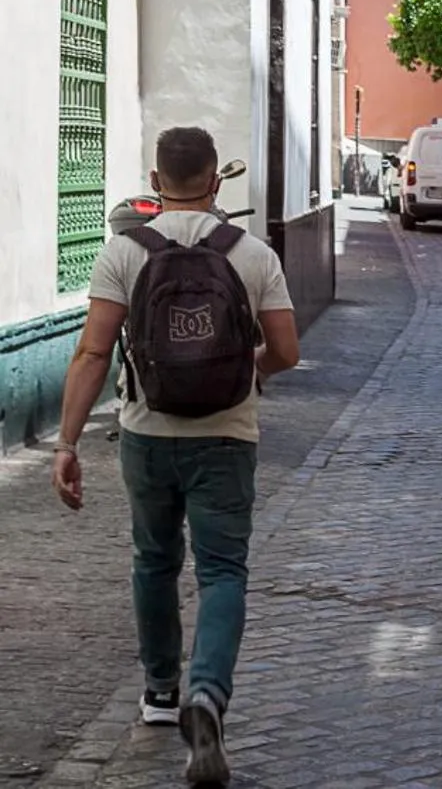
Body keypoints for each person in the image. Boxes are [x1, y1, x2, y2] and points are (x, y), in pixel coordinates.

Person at [51, 127, 300, 787]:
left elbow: (93, 351)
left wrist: (68, 441)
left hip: (147, 433)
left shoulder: (124, 252)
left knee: (154, 561)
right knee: (222, 571)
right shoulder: (253, 254)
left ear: (157, 183)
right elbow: (287, 349)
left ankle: (160, 692)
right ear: (216, 181)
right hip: (227, 436)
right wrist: (252, 370)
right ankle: (207, 693)